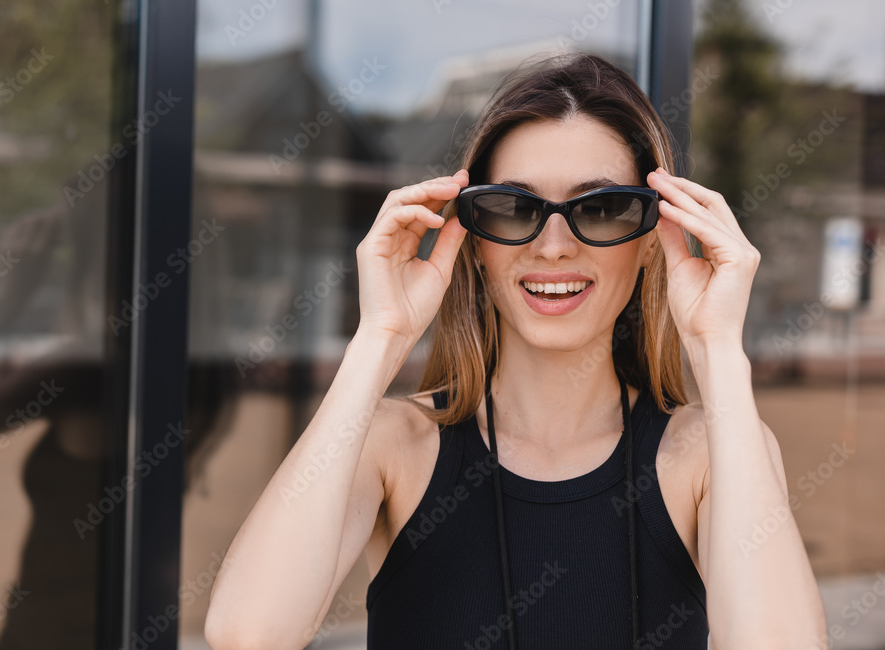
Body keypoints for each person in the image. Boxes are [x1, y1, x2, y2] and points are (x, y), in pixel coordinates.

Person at [204, 52, 826, 649]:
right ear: (474, 239)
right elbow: (250, 633)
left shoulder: (708, 452)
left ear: (650, 239)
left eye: (602, 208)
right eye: (513, 207)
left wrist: (717, 349)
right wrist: (381, 339)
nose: (553, 246)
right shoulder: (397, 445)